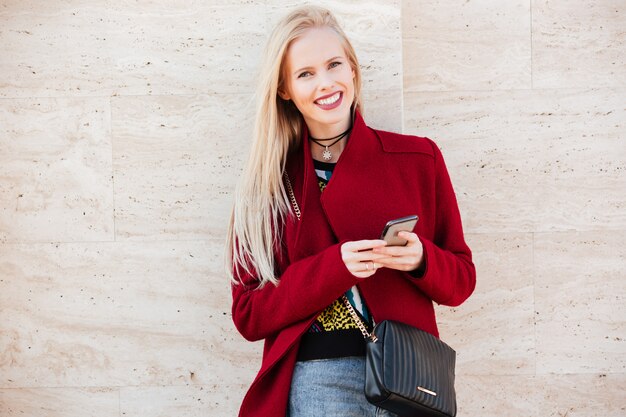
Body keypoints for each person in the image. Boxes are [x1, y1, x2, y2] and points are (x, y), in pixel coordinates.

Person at [225, 5, 476, 417]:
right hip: (317, 379)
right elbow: (248, 314)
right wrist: (333, 267)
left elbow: (462, 280)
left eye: (334, 64)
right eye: (305, 73)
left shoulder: (417, 158)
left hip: (408, 375)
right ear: (285, 89)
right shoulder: (266, 185)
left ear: (353, 70)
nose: (325, 83)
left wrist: (421, 259)